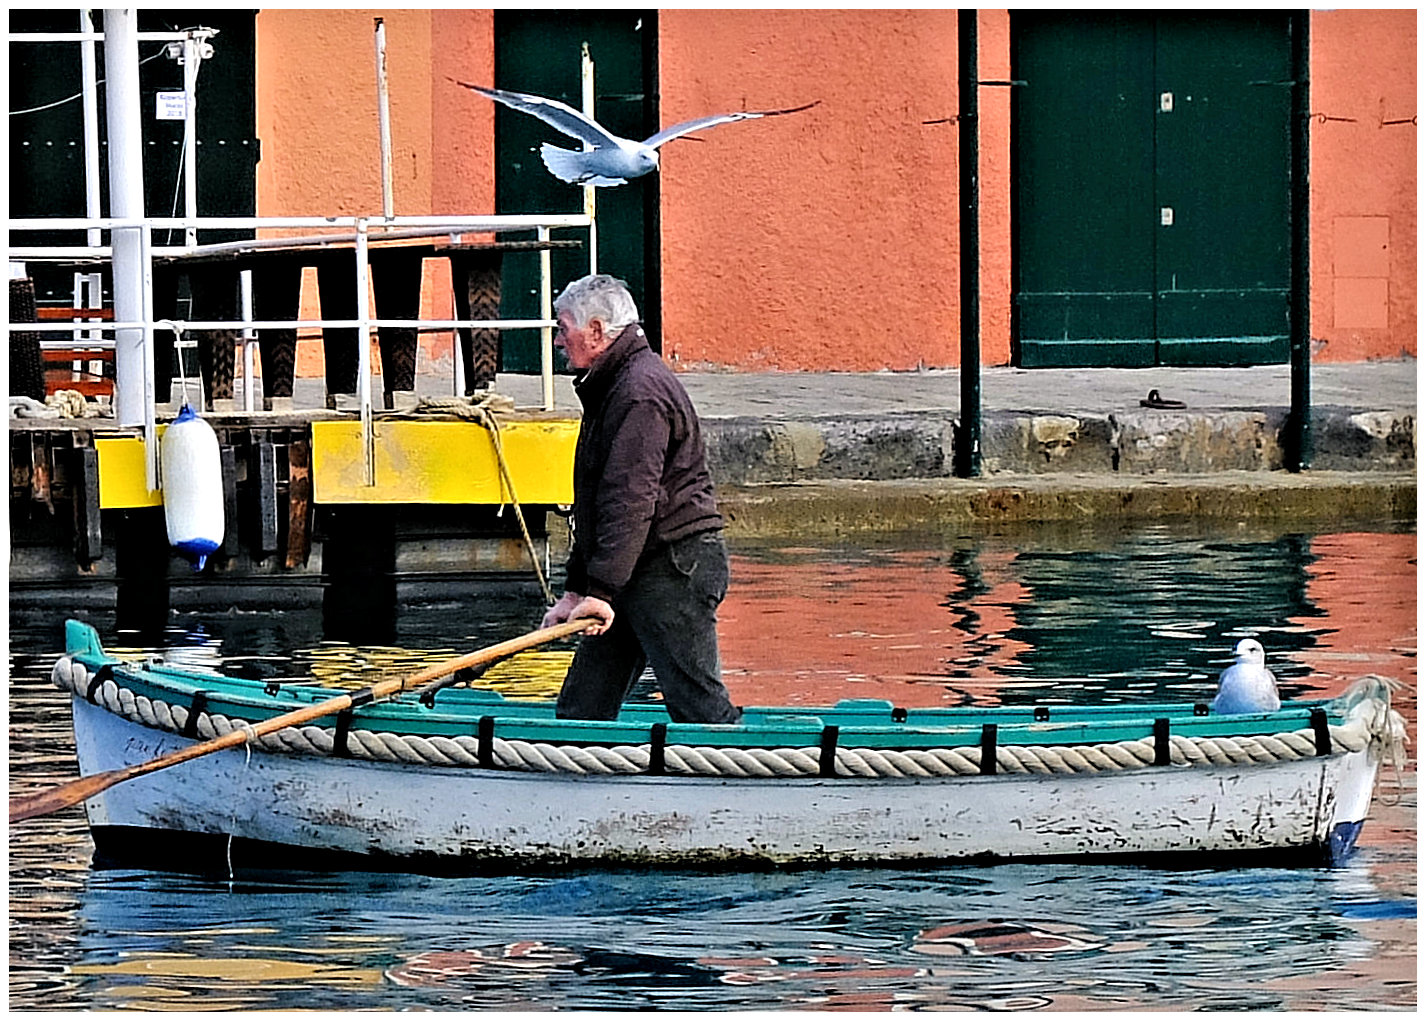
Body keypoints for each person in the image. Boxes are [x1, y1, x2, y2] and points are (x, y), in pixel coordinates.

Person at [540, 274, 742, 724]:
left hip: (673, 566)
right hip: (632, 568)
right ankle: (573, 773)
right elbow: (595, 504)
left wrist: (601, 589)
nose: (558, 339)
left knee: (698, 708)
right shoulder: (613, 385)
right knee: (582, 709)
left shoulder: (639, 393)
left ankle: (739, 779)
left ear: (596, 331)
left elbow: (629, 501)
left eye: (563, 327)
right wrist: (579, 591)